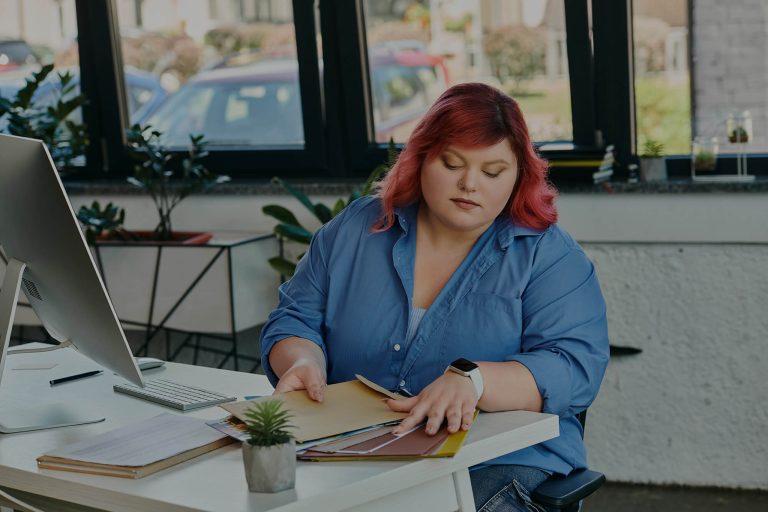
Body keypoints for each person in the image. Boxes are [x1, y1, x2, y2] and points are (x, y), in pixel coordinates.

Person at [260, 82, 610, 512]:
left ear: (520, 173)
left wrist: (474, 379)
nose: (469, 184)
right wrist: (301, 360)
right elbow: (294, 319)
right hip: (356, 457)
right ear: (421, 156)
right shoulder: (354, 231)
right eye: (452, 163)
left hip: (495, 464)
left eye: (493, 171)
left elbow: (574, 366)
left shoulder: (548, 256)